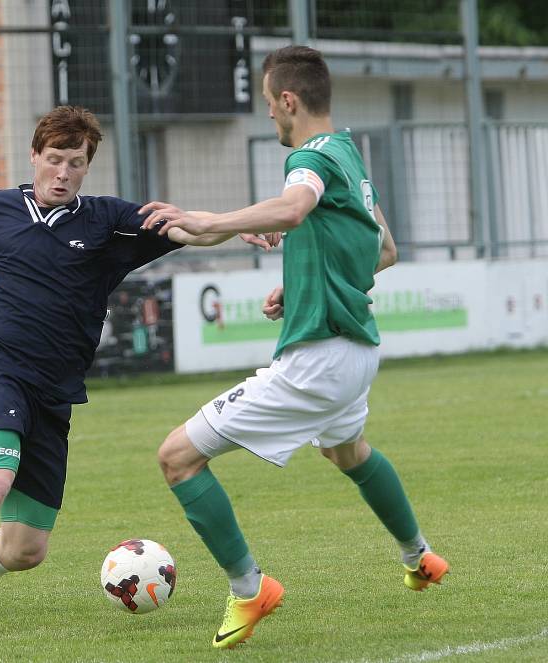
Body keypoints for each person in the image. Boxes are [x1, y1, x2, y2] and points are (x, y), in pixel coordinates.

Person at [0, 105, 273, 640]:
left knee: (25, 548)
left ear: (87, 167)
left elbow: (184, 229)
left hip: (53, 388)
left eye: (75, 163)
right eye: (54, 160)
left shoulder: (108, 220)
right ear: (34, 156)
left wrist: (237, 228)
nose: (63, 173)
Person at [139, 45, 449, 650]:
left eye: (269, 107)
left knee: (177, 457)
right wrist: (308, 280)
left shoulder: (310, 157)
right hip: (355, 352)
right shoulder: (350, 156)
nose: (271, 121)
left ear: (288, 100)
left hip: (319, 359)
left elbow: (296, 205)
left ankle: (250, 589)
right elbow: (385, 249)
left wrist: (209, 222)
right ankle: (420, 556)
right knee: (347, 451)